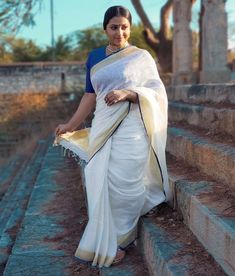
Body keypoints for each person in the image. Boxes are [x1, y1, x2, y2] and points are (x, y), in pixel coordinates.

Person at [55, 5, 171, 268]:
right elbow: (89, 95)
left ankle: (120, 239)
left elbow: (155, 91)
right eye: (114, 27)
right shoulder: (95, 57)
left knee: (126, 183)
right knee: (99, 179)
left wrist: (129, 94)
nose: (120, 32)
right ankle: (111, 235)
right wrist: (70, 124)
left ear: (130, 29)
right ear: (105, 29)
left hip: (132, 128)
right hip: (103, 126)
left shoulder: (141, 57)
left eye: (124, 27)